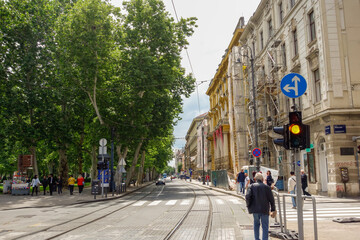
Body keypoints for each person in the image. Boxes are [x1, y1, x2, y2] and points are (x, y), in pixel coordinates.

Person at [246, 173, 276, 240]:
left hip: (255, 209)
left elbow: (247, 197)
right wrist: (273, 209)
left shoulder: (251, 186)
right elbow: (272, 199)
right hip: (265, 209)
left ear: (255, 179)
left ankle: (256, 238)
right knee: (265, 226)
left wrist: (249, 206)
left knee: (256, 224)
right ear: (262, 179)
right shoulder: (267, 187)